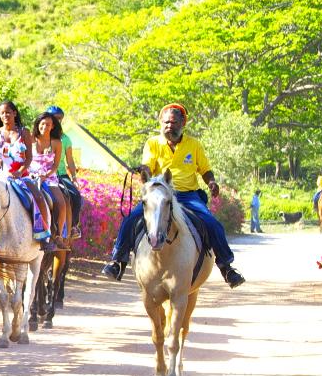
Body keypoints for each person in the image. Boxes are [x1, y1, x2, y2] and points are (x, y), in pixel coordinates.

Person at [100, 104, 245, 288]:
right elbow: (148, 166)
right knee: (131, 219)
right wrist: (143, 169)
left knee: (212, 224)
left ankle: (227, 267)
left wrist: (211, 182)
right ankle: (118, 261)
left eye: (174, 122)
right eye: (166, 122)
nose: (169, 126)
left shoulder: (194, 144)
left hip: (188, 196)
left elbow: (205, 170)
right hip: (160, 194)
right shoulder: (153, 143)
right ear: (161, 123)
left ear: (183, 123)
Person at [0, 101, 55, 251]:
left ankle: (44, 235)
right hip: (2, 175)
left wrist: (20, 171)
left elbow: (29, 157)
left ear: (14, 113)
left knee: (38, 197)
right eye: (2, 113)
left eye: (8, 112)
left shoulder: (24, 132)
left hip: (22, 175)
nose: (5, 115)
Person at [31, 110, 69, 244]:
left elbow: (55, 165)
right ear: (37, 124)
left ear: (52, 126)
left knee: (61, 203)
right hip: (30, 176)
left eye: (48, 125)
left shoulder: (57, 143)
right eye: (42, 124)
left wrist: (45, 176)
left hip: (49, 177)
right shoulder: (30, 140)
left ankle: (58, 234)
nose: (44, 127)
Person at [46, 105, 83, 238]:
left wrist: (73, 177)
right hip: (40, 174)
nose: (58, 122)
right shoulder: (40, 136)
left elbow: (70, 160)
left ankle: (73, 226)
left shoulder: (65, 139)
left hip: (60, 174)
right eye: (55, 118)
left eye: (60, 119)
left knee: (76, 195)